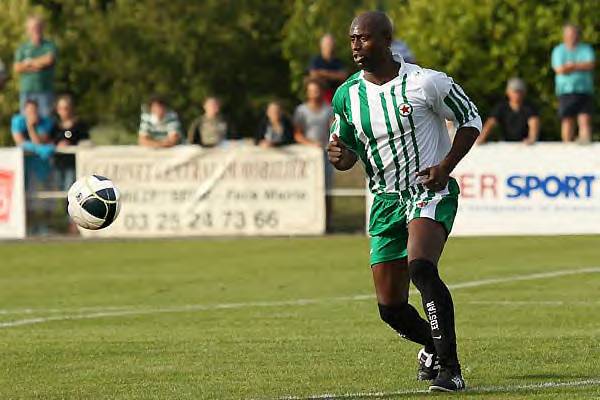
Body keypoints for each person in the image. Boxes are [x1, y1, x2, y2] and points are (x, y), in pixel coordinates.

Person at [327, 12, 481, 392]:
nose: (356, 47)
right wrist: (339, 157)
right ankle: (432, 344)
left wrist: (445, 166)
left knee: (422, 268)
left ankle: (451, 371)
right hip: (384, 202)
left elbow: (471, 118)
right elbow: (345, 150)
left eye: (363, 39)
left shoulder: (424, 82)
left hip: (428, 190)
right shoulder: (347, 95)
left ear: (385, 39)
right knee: (390, 308)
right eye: (351, 40)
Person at [293, 79, 334, 229]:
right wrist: (311, 144)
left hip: (325, 154)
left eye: (316, 90)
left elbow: (333, 129)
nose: (314, 93)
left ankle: (327, 223)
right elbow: (297, 134)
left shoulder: (329, 109)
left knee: (327, 189)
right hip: (308, 155)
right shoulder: (301, 110)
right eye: (311, 90)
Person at [11, 99, 55, 234]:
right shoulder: (17, 121)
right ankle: (28, 228)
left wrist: (31, 127)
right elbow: (19, 141)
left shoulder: (46, 122)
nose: (32, 113)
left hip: (42, 166)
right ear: (24, 111)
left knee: (47, 198)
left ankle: (46, 227)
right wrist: (41, 149)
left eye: (34, 111)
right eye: (29, 111)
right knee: (26, 198)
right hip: (24, 167)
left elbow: (38, 141)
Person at [551, 24, 595, 143]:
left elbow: (590, 64)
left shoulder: (586, 49)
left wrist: (572, 66)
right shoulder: (558, 51)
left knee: (584, 118)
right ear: (564, 36)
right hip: (566, 90)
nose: (572, 37)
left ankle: (585, 144)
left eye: (574, 34)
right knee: (567, 119)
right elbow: (559, 70)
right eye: (569, 34)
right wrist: (579, 66)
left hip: (584, 89)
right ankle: (567, 145)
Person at [13, 16, 57, 117]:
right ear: (27, 30)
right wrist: (38, 64)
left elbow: (49, 60)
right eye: (33, 28)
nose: (36, 30)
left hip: (45, 90)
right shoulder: (22, 48)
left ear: (43, 28)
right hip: (27, 91)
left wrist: (28, 62)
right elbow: (17, 68)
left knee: (46, 121)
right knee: (26, 120)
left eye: (38, 27)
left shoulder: (49, 46)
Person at [477, 78, 540, 145]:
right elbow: (491, 122)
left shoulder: (530, 107)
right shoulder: (501, 107)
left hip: (524, 144)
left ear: (524, 92)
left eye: (519, 92)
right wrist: (482, 138)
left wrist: (532, 138)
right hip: (506, 144)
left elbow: (533, 122)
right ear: (508, 92)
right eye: (514, 91)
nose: (517, 95)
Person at [52, 94, 89, 191]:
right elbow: (50, 140)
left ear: (71, 109)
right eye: (60, 108)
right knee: (57, 191)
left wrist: (71, 145)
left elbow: (85, 141)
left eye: (66, 108)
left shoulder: (79, 125)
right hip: (58, 163)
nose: (63, 111)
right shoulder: (55, 126)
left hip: (73, 164)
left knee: (70, 190)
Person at [309, 34, 348, 103]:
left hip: (336, 95)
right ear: (322, 45)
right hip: (320, 95)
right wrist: (334, 75)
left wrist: (323, 73)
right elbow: (313, 75)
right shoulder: (316, 60)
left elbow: (343, 76)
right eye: (328, 44)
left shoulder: (338, 62)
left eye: (331, 44)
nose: (330, 46)